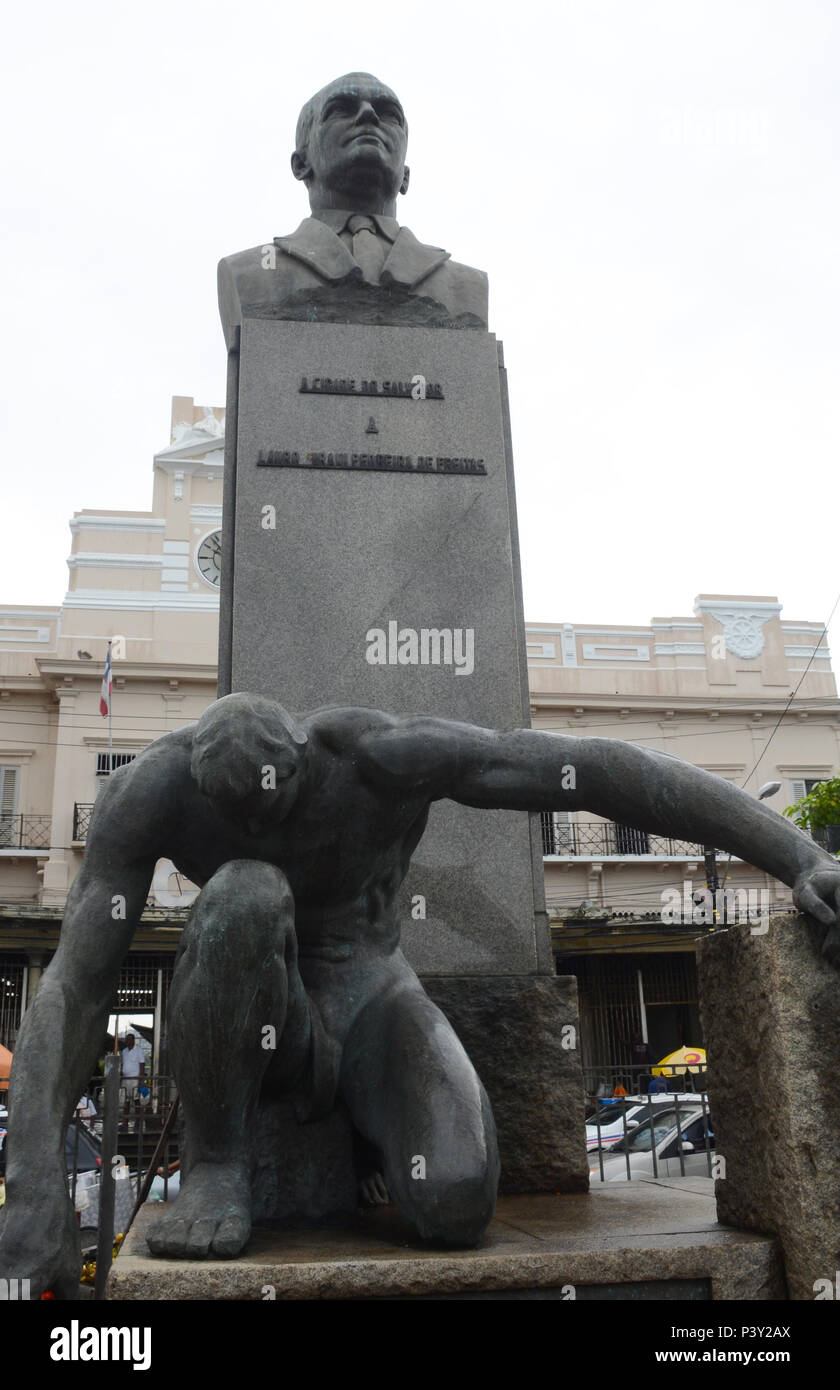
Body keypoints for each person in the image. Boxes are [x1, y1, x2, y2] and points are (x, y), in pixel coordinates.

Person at [2, 691, 840, 1297]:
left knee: (454, 1204)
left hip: (371, 997)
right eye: (235, 815)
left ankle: (382, 1144)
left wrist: (797, 856)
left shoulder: (379, 756)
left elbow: (595, 774)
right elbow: (76, 984)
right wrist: (33, 1180)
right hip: (268, 1008)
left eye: (275, 804)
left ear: (299, 754)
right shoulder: (148, 791)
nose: (262, 825)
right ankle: (222, 1163)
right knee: (246, 891)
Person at [218, 73, 488, 346]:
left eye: (389, 114)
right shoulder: (252, 274)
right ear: (301, 164)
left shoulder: (465, 286)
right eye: (341, 109)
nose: (368, 115)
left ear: (405, 176)